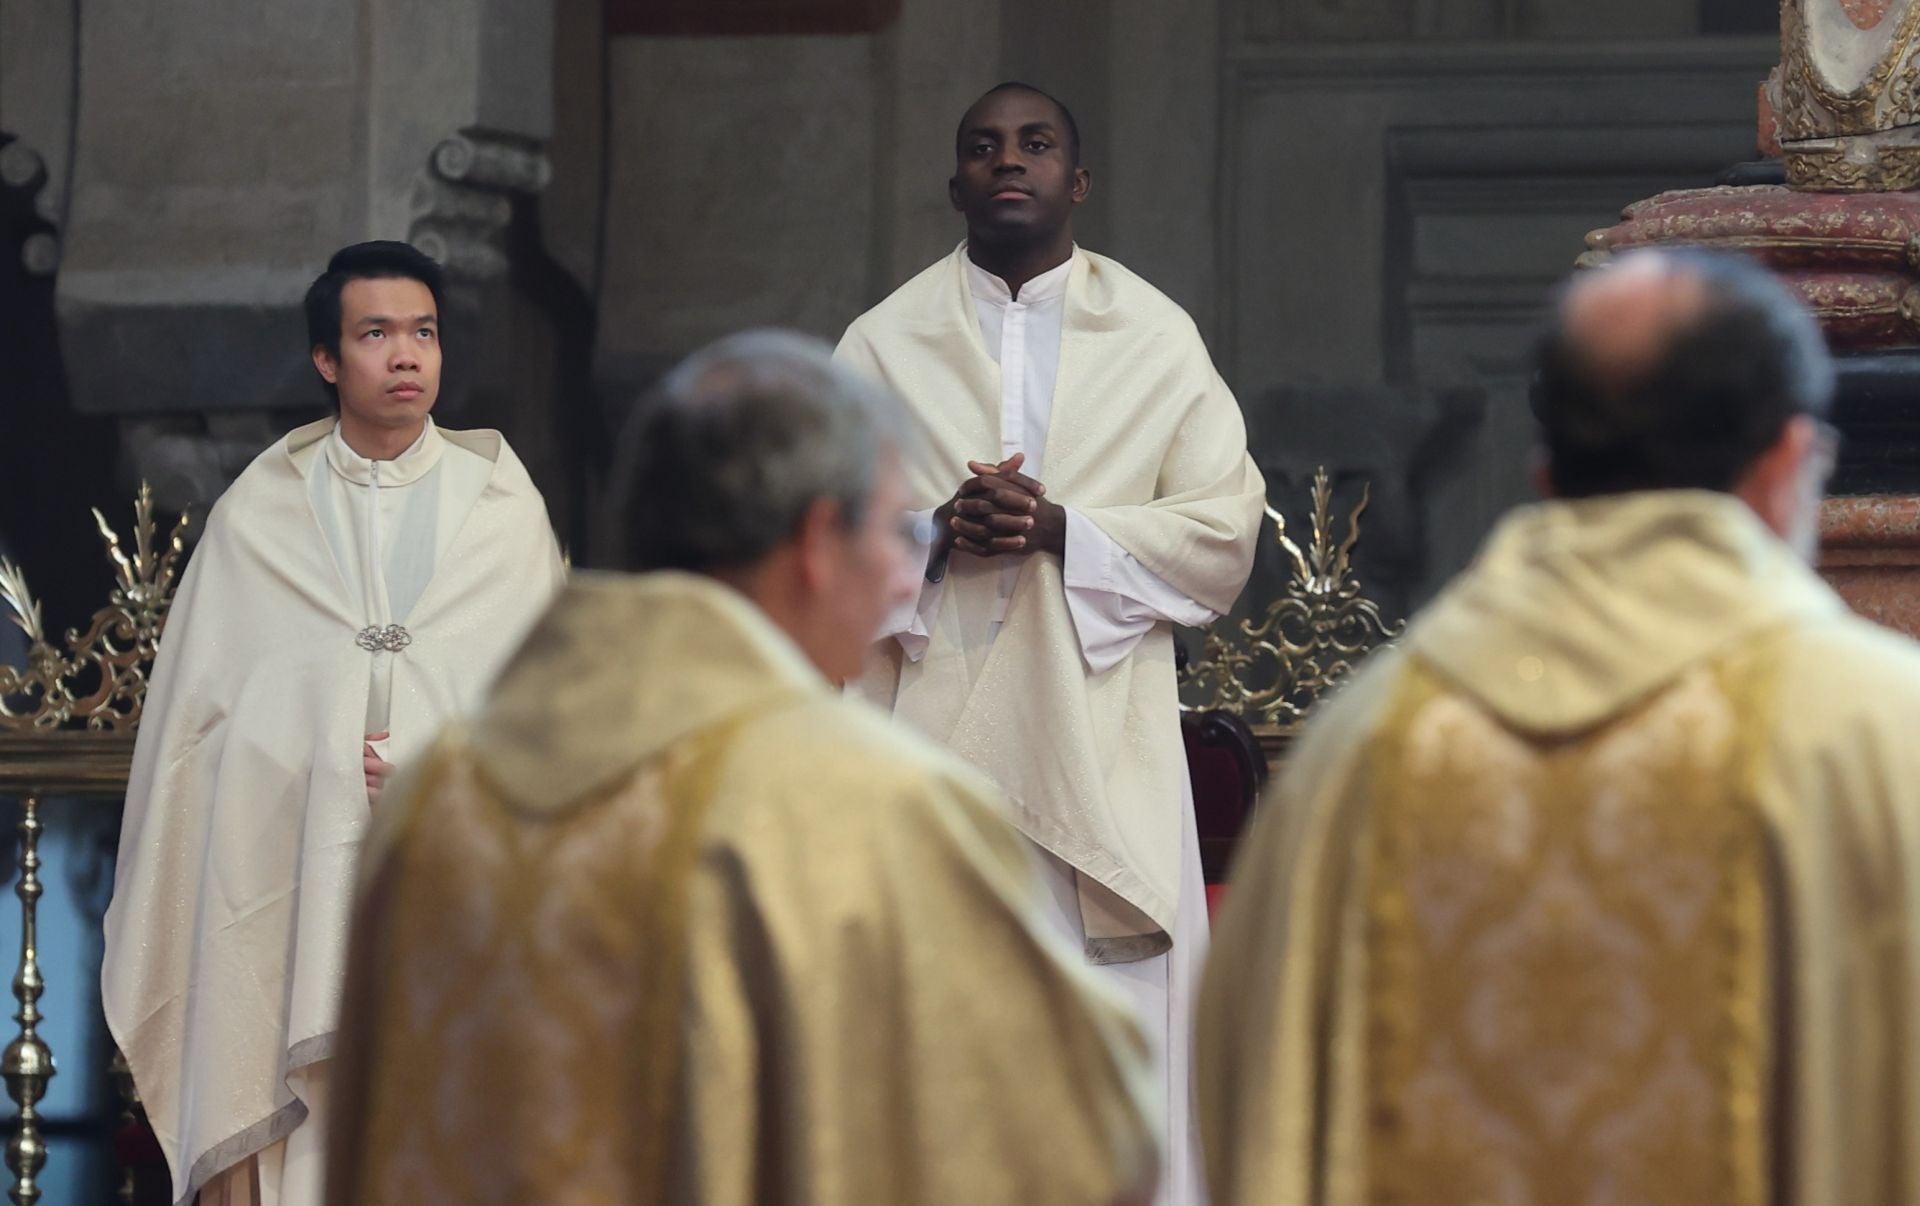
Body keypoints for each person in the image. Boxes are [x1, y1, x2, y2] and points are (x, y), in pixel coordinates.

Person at [324, 331, 1160, 1205]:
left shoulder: (441, 796)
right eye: (885, 531)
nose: (893, 576)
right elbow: (1082, 1136)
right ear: (814, 543)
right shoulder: (866, 806)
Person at [1198, 249, 1920, 1205]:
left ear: (1545, 472)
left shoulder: (1368, 744)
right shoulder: (1871, 731)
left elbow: (1243, 1090)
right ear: (1790, 460)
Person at [833, 81, 1265, 1206]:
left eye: (1035, 145)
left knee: (1108, 1042)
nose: (1007, 162)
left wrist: (1064, 528)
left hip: (1098, 738)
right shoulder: (881, 344)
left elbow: (1223, 531)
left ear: (1080, 178)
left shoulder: (1158, 337)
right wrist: (932, 536)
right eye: (983, 147)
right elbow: (810, 538)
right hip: (924, 750)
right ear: (955, 183)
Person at [101, 241, 565, 1206]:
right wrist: (316, 757)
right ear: (327, 360)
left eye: (424, 333)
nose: (408, 356)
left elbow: (548, 712)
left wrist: (447, 767)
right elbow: (200, 731)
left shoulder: (504, 510)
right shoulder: (257, 517)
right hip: (291, 864)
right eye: (377, 334)